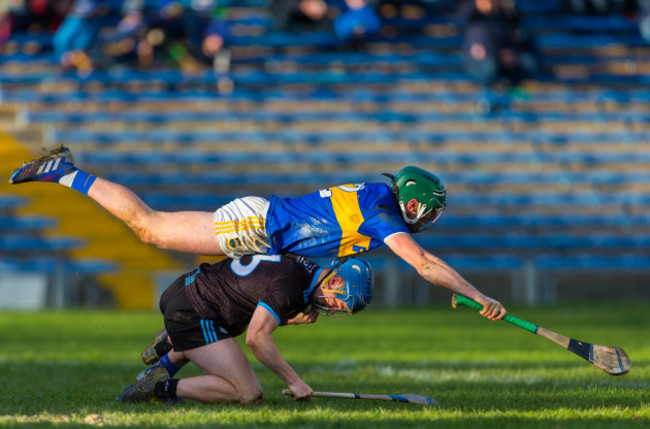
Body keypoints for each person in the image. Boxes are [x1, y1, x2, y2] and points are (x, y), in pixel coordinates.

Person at [9, 145, 507, 321]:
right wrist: (475, 292)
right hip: (260, 226)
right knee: (151, 230)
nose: (430, 220)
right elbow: (422, 263)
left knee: (280, 308)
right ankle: (62, 172)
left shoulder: (380, 207)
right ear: (415, 201)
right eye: (431, 212)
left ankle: (169, 356)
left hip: (276, 240)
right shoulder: (382, 211)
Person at [116, 254, 374, 404]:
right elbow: (257, 338)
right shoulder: (292, 287)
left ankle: (169, 347)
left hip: (187, 288)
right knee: (247, 392)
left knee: (237, 322)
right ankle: (156, 388)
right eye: (339, 303)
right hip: (194, 310)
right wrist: (294, 381)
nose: (332, 310)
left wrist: (288, 320)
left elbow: (250, 303)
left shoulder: (302, 267)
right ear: (336, 280)